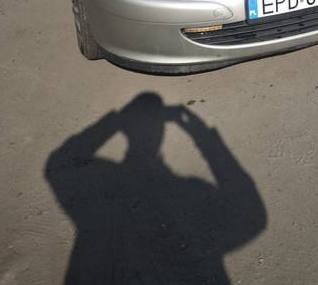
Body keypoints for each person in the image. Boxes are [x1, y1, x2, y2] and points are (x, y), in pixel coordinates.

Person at [45, 93, 266, 284]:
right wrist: (202, 137)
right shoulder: (191, 191)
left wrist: (115, 121)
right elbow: (252, 217)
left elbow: (57, 165)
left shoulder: (103, 182)